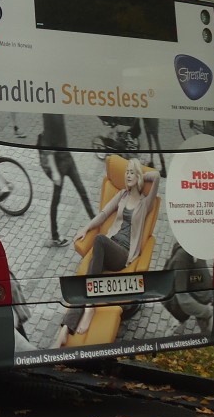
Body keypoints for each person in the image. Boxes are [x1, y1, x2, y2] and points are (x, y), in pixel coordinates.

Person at [55, 157, 160, 347]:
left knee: (99, 241)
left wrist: (142, 175)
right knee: (85, 281)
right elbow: (103, 214)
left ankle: (90, 308)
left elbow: (157, 176)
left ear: (138, 177)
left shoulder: (146, 203)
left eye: (131, 172)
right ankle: (64, 330)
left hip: (122, 254)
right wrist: (86, 228)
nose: (127, 175)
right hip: (109, 246)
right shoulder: (121, 195)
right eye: (126, 172)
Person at [37, 113, 94, 247]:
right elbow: (47, 144)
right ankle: (55, 236)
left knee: (82, 191)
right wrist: (55, 172)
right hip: (59, 164)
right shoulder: (49, 115)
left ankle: (94, 221)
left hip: (68, 158)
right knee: (56, 200)